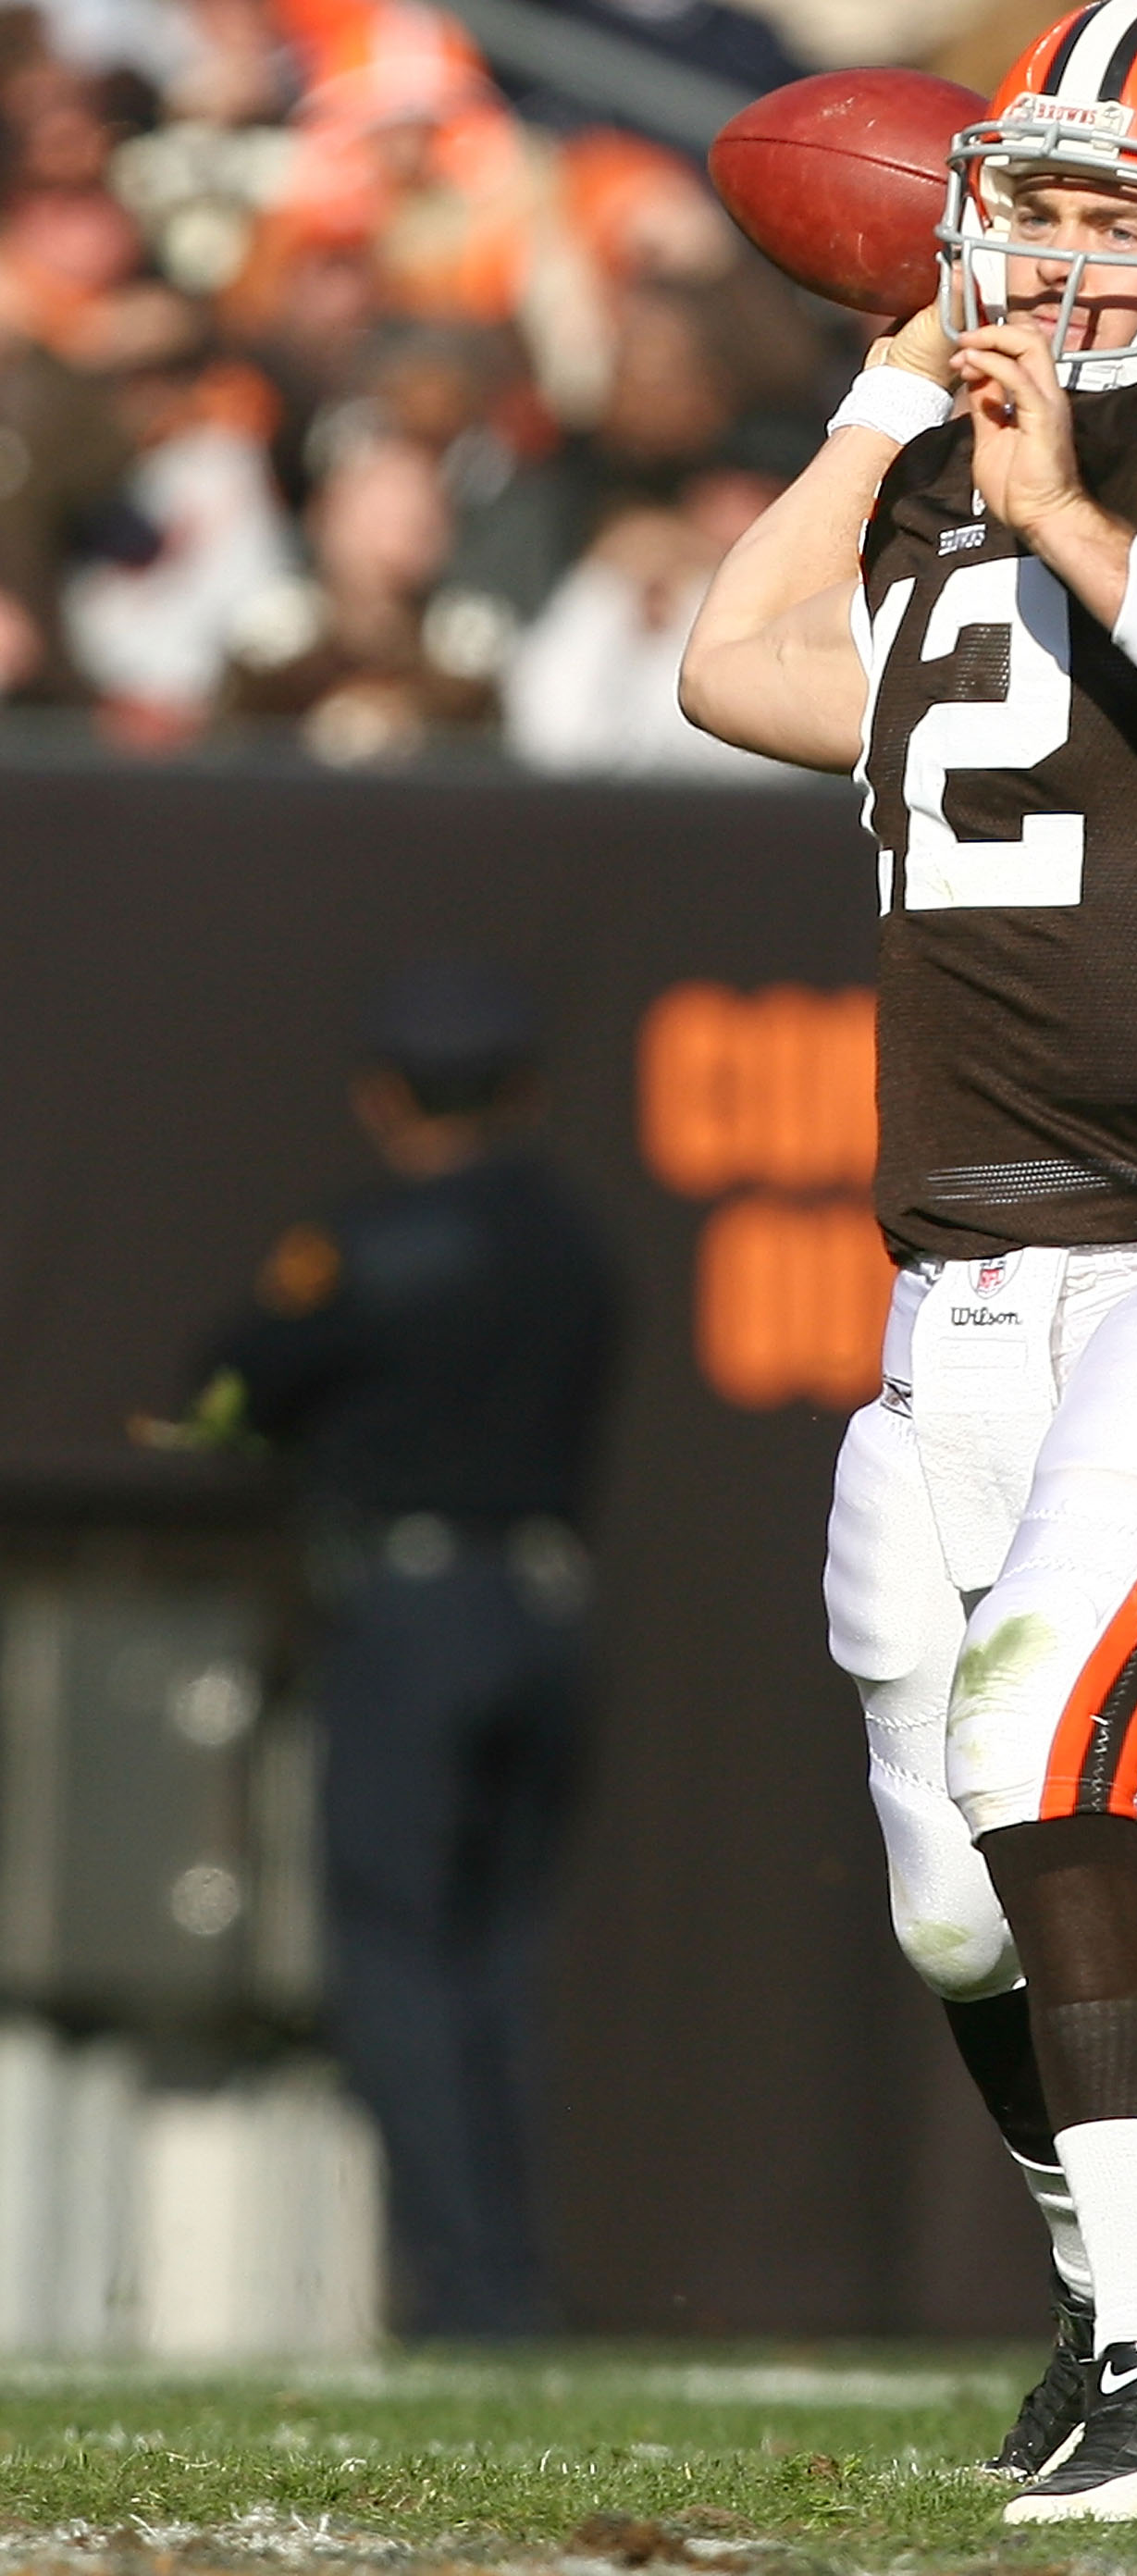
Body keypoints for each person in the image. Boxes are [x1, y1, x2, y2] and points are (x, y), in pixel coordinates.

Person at [680, 0, 1137, 2522]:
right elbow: (733, 669)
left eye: (1125, 213)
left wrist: (1072, 518)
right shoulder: (951, 470)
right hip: (961, 1289)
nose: (1068, 257)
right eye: (1039, 203)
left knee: (1041, 1751)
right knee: (947, 1905)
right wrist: (885, 404)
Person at [183, 959, 617, 2337]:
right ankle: (516, 2283)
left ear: (383, 1098)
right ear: (526, 1092)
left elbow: (227, 1394)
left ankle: (468, 2297)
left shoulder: (364, 1247)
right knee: (498, 1958)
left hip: (415, 1614)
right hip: (544, 1608)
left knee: (398, 1958)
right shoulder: (575, 1242)